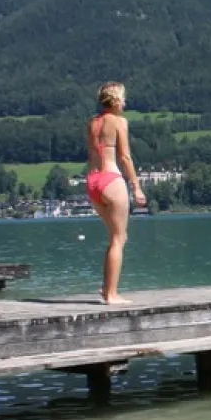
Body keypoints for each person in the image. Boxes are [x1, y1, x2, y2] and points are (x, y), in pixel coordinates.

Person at [85, 82, 147, 305]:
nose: (125, 102)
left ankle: (106, 288)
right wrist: (136, 186)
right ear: (116, 100)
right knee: (119, 238)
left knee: (114, 238)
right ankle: (111, 294)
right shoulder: (120, 122)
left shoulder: (92, 123)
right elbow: (125, 157)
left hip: (92, 181)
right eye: (123, 98)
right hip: (111, 179)